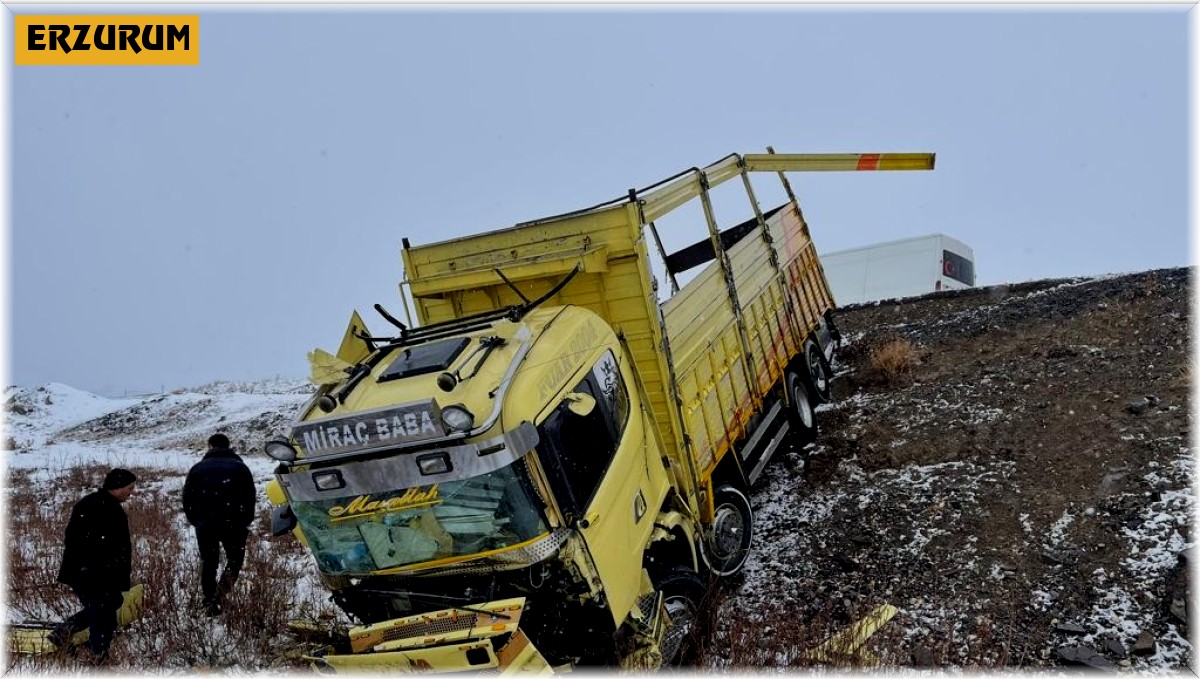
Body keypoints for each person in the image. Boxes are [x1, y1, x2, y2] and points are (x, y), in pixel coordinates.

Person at [54, 467, 137, 664]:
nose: (131, 492)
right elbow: (88, 542)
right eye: (129, 488)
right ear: (118, 486)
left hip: (90, 571)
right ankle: (98, 657)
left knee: (108, 605)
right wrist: (98, 568)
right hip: (93, 573)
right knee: (102, 613)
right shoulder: (104, 508)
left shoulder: (94, 503)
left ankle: (64, 633)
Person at [182, 433, 256, 616]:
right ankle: (220, 596)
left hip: (205, 524)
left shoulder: (197, 469)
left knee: (209, 562)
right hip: (234, 523)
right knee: (235, 560)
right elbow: (250, 497)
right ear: (228, 445)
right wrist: (245, 520)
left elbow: (187, 498)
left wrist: (196, 520)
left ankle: (209, 598)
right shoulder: (240, 468)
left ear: (210, 446)